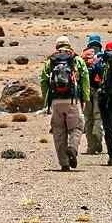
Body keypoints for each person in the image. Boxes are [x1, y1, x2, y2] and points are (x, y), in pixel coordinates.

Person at [39, 36, 90, 172]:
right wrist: (85, 98)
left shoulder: (51, 61)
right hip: (72, 100)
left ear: (57, 46)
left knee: (58, 131)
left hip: (56, 101)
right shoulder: (76, 59)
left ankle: (64, 163)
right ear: (69, 45)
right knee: (77, 127)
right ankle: (72, 147)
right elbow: (85, 78)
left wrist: (47, 101)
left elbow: (43, 80)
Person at [81, 47, 105, 154]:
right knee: (96, 118)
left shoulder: (82, 64)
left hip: (88, 94)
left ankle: (92, 146)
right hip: (96, 93)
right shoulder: (98, 64)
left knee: (89, 120)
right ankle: (96, 143)